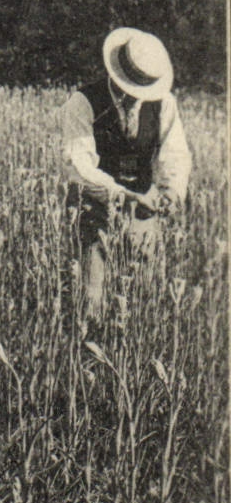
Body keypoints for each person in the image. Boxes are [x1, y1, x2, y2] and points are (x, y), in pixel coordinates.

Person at [60, 27, 192, 319]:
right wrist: (125, 196)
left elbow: (176, 154)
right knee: (91, 295)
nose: (134, 97)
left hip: (143, 208)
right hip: (95, 205)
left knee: (144, 294)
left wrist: (170, 191)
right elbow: (80, 166)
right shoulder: (83, 102)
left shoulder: (164, 104)